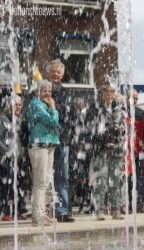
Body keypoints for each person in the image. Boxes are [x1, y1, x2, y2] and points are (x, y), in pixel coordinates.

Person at [89, 85, 127, 220]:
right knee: (101, 181)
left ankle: (116, 210)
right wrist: (112, 128)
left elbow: (124, 128)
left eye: (112, 93)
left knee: (116, 181)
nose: (109, 96)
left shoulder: (119, 110)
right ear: (102, 95)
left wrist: (121, 128)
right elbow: (93, 129)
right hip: (101, 150)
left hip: (116, 149)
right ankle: (99, 210)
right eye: (106, 93)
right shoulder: (95, 109)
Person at [27, 80, 59, 226]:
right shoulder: (36, 105)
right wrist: (53, 108)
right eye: (44, 91)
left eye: (49, 91)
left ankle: (41, 214)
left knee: (46, 182)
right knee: (40, 182)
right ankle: (37, 216)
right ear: (37, 92)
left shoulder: (43, 105)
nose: (47, 94)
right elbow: (52, 121)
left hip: (48, 145)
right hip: (39, 145)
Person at [47, 59, 75, 222]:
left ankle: (63, 210)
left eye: (58, 72)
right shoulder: (43, 90)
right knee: (45, 177)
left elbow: (69, 115)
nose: (55, 74)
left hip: (62, 140)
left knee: (62, 176)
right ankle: (48, 211)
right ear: (48, 73)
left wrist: (55, 107)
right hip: (45, 140)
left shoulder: (65, 92)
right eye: (53, 71)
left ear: (62, 75)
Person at [123, 89, 144, 214]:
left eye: (137, 98)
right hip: (124, 151)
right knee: (126, 179)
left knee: (139, 179)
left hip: (138, 151)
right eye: (133, 97)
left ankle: (138, 203)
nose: (135, 100)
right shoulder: (120, 112)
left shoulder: (141, 113)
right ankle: (126, 204)